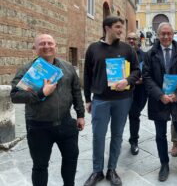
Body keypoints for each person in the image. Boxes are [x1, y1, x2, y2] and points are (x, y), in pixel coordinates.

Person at [10, 34, 85, 186]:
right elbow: (15, 95)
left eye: (50, 43)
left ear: (56, 46)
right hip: (38, 127)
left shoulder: (67, 67)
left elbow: (76, 91)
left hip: (65, 123)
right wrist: (41, 93)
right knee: (40, 166)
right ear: (35, 48)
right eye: (42, 43)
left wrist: (80, 114)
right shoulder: (27, 70)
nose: (46, 46)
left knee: (71, 159)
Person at [83, 16, 140, 186]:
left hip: (122, 100)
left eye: (121, 27)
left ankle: (112, 169)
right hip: (100, 100)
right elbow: (87, 75)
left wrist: (127, 81)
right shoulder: (93, 49)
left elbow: (137, 71)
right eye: (117, 27)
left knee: (117, 135)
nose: (121, 31)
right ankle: (97, 171)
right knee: (98, 136)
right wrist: (87, 99)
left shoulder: (127, 49)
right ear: (107, 28)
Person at [142, 22, 177, 184]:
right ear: (158, 35)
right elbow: (146, 77)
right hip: (159, 100)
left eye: (168, 33)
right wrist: (160, 95)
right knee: (160, 135)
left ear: (173, 35)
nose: (166, 36)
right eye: (162, 34)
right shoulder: (150, 54)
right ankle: (164, 164)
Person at [126, 32, 148, 155]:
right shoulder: (121, 55)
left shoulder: (145, 56)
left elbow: (149, 71)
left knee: (135, 115)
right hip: (123, 91)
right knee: (121, 118)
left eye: (134, 39)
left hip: (140, 91)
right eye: (129, 39)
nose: (131, 41)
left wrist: (144, 79)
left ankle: (134, 141)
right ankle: (118, 141)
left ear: (138, 41)